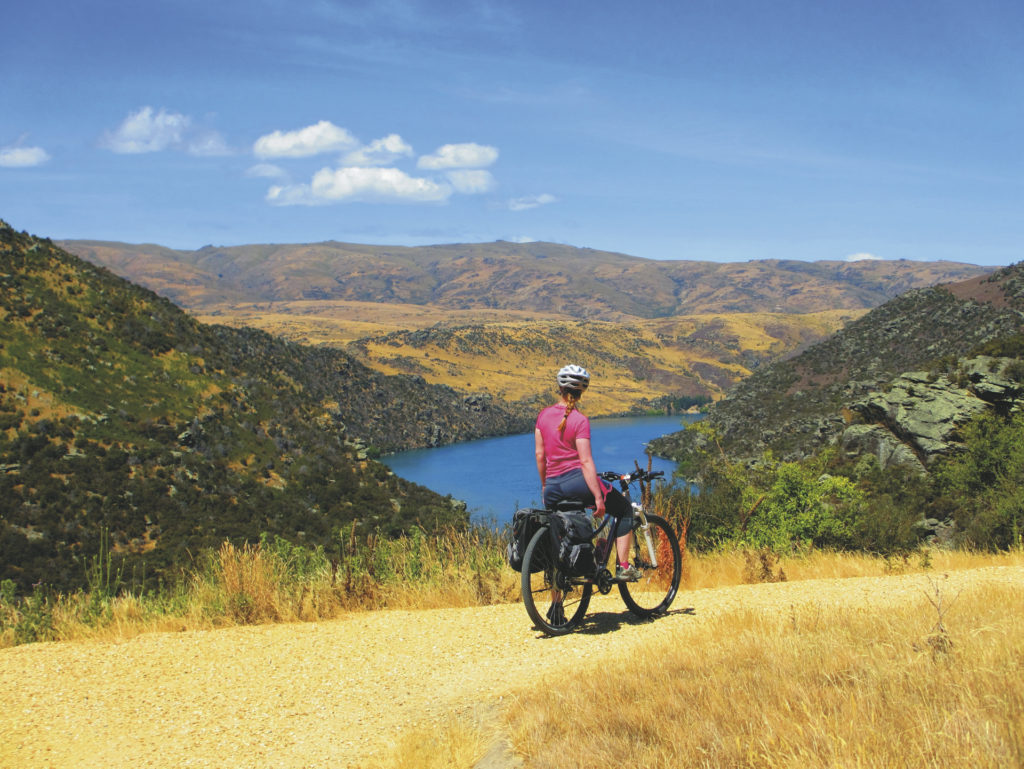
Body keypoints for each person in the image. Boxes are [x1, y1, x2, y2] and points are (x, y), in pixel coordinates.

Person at [535, 364, 640, 582]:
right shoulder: (579, 420)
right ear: (582, 392)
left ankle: (557, 606)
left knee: (558, 540)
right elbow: (584, 461)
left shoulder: (543, 416)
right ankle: (623, 566)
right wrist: (599, 497)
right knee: (624, 511)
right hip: (578, 482)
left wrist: (546, 486)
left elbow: (539, 455)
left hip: (553, 486)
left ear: (560, 388)